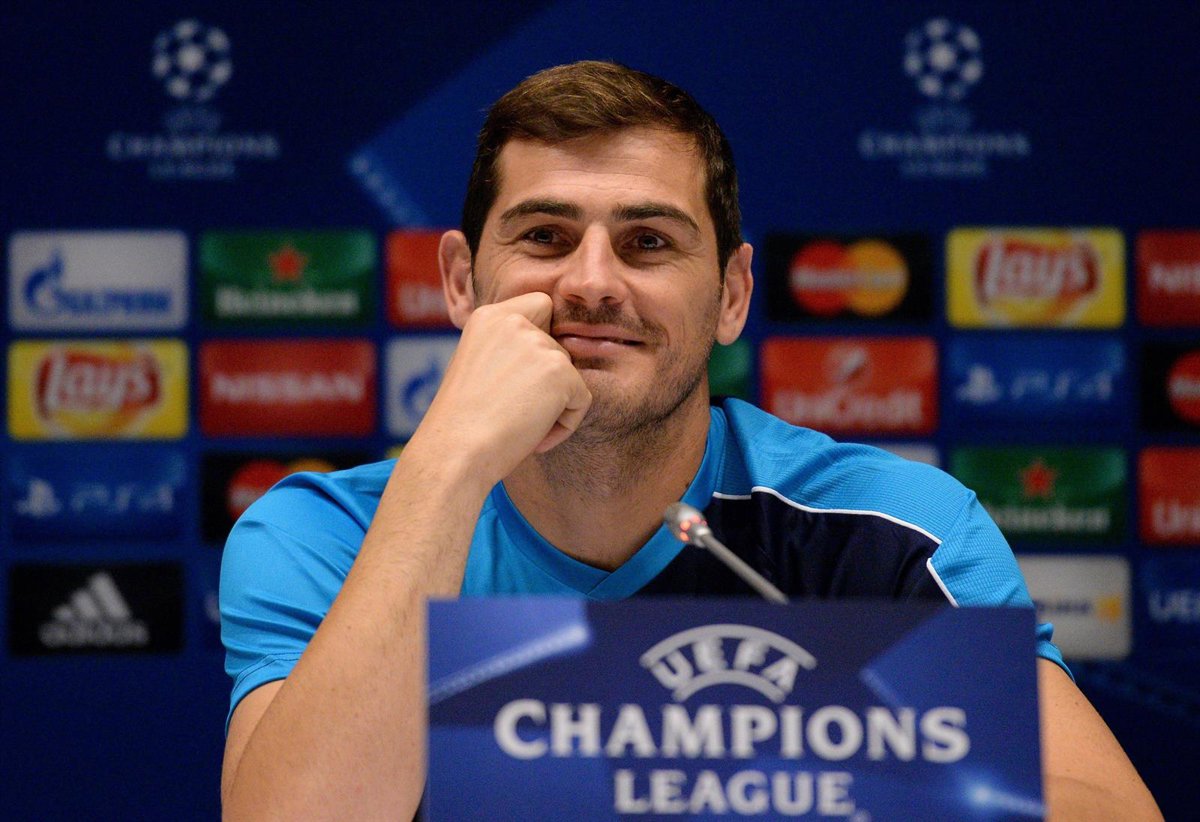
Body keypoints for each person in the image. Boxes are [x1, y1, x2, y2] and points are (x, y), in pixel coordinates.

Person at [219, 61, 1161, 820]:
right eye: (544, 236)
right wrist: (448, 464)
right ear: (462, 284)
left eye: (649, 243)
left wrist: (806, 777)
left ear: (733, 296)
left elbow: (1107, 810)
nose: (592, 284)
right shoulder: (326, 537)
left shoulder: (889, 532)